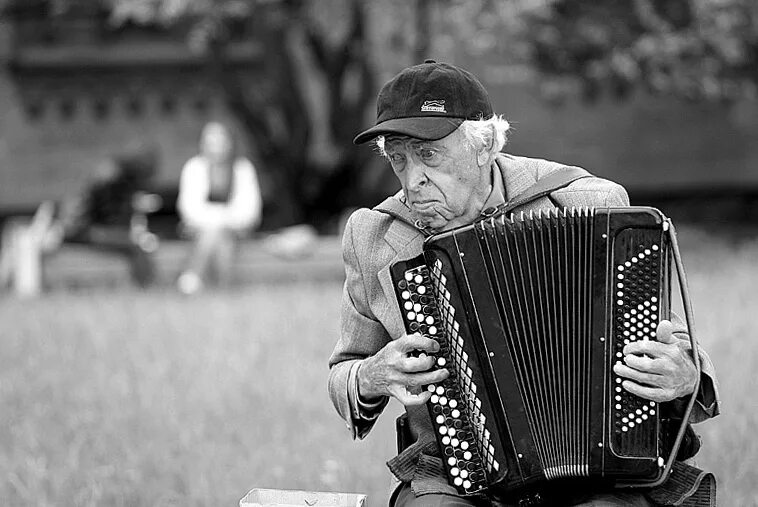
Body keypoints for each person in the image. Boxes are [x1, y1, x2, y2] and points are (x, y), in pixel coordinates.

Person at [327, 61, 720, 507]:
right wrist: (371, 376)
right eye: (399, 159)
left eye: (429, 155)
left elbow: (676, 346)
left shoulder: (589, 204)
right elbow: (345, 371)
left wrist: (685, 374)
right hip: (456, 473)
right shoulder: (373, 236)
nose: (412, 180)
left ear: (486, 145)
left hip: (600, 466)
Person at [176, 121, 263, 294]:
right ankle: (223, 288)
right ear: (202, 145)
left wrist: (223, 221)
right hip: (200, 230)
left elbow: (250, 209)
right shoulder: (194, 168)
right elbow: (189, 208)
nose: (216, 148)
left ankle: (193, 279)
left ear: (230, 143)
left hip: (235, 229)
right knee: (215, 236)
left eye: (220, 142)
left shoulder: (242, 169)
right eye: (211, 142)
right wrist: (218, 221)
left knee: (219, 236)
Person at [58, 146, 161, 288]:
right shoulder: (107, 182)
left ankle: (146, 284)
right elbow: (99, 217)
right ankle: (146, 285)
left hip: (90, 229)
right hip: (87, 231)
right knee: (137, 244)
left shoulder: (112, 182)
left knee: (138, 243)